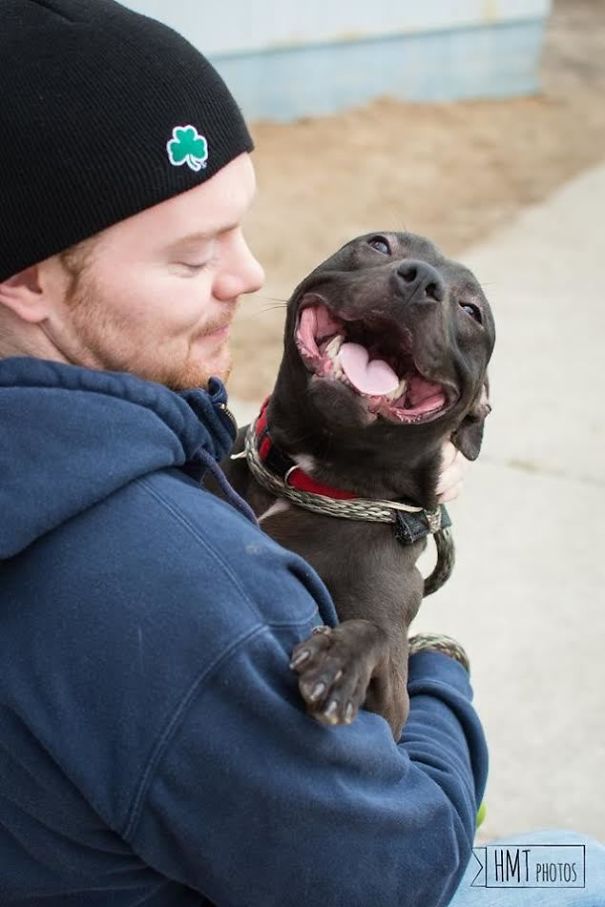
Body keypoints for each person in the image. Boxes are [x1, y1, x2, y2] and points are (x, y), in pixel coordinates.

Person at [0, 2, 601, 906]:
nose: (246, 275)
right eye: (191, 255)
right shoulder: (184, 594)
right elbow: (399, 871)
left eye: (239, 230)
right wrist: (438, 671)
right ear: (30, 284)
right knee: (572, 867)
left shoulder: (97, 448)